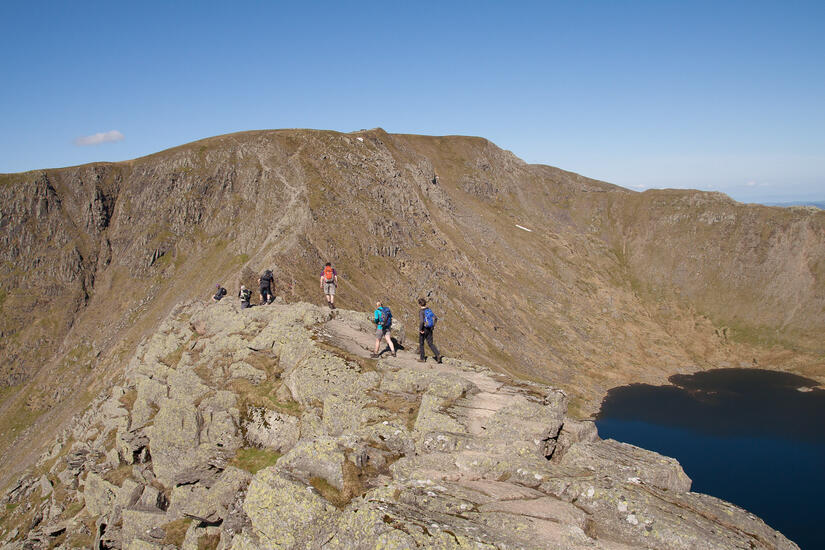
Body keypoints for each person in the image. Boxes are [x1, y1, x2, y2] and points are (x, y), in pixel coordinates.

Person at [417, 298, 442, 363]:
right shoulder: (429, 310)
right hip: (430, 329)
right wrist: (432, 326)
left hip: (424, 329)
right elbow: (435, 318)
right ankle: (437, 354)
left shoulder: (421, 311)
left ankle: (422, 358)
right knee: (430, 343)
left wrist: (421, 329)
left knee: (421, 343)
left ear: (419, 304)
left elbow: (422, 321)